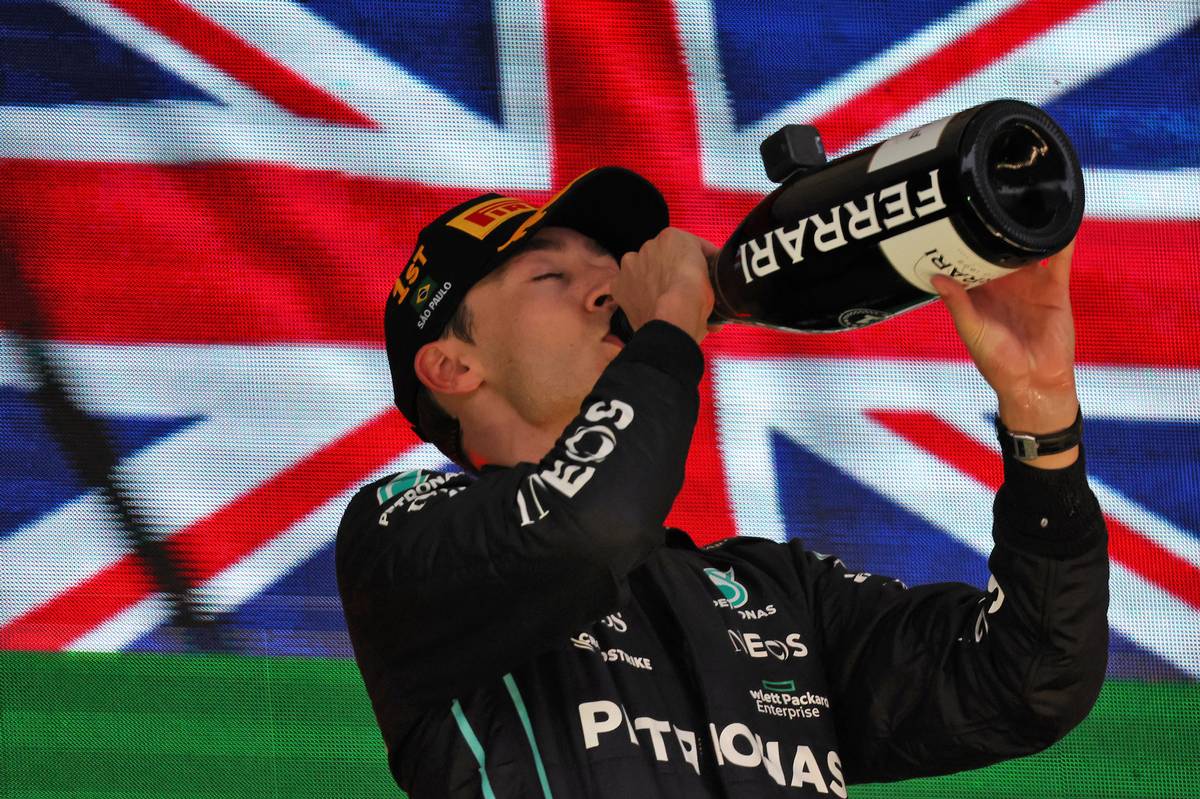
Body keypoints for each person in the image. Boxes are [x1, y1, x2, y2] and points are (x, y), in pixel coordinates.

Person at [335, 167, 1109, 797]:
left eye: (613, 269)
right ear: (452, 365)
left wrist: (1039, 415)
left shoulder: (777, 590)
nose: (607, 289)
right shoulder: (405, 531)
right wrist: (671, 316)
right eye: (551, 275)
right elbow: (586, 526)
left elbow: (1029, 679)